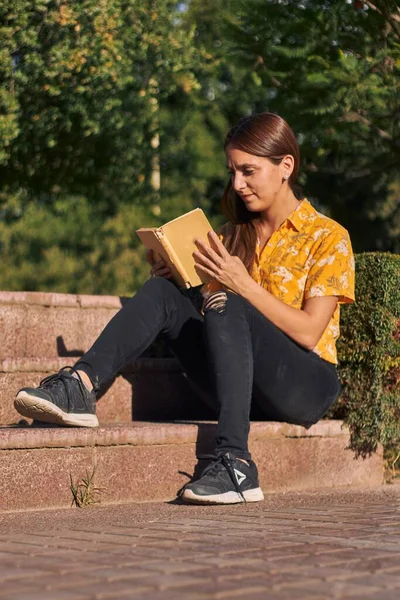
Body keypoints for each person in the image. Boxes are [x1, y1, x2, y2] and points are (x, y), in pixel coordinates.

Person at [15, 112, 355, 505]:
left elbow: (310, 331)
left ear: (285, 166)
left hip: (305, 384)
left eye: (248, 171)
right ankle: (80, 385)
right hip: (241, 386)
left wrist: (240, 284)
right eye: (232, 172)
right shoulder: (229, 237)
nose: (237, 184)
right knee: (164, 292)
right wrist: (175, 277)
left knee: (229, 302)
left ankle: (235, 463)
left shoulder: (328, 237)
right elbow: (213, 317)